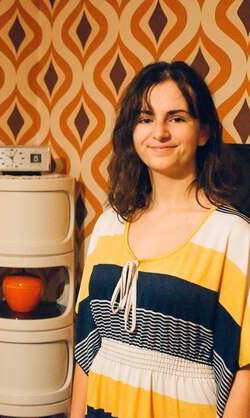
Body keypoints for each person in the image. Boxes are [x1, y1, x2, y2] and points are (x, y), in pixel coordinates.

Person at [71, 61, 250, 418]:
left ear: (203, 133)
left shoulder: (233, 236)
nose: (159, 133)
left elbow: (245, 370)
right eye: (145, 118)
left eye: (177, 118)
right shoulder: (107, 226)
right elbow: (87, 348)